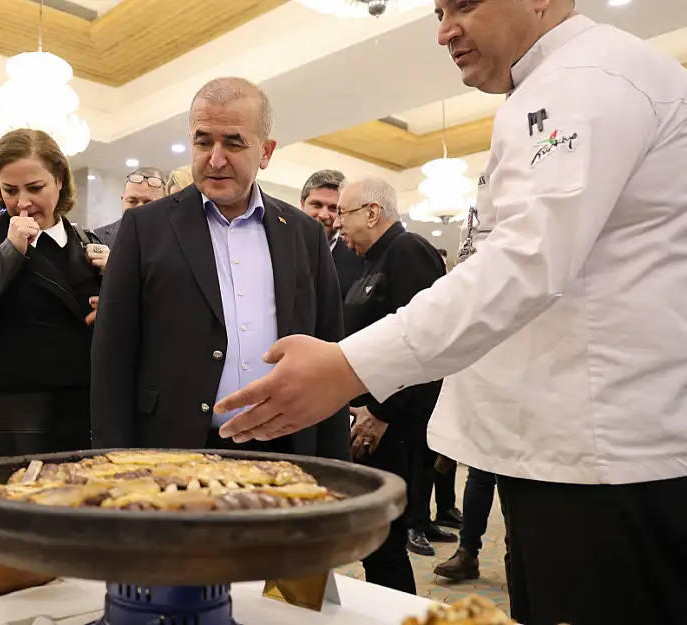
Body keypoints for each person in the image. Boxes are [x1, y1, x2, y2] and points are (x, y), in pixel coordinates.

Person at [215, 3, 687, 624]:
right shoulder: (547, 87)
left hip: (602, 462)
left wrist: (350, 365)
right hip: (562, 451)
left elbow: (525, 262)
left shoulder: (590, 78)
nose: (443, 30)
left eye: (464, 3)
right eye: (438, 10)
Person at [91, 77, 349, 460]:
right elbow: (112, 356)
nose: (215, 159)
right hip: (171, 448)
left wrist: (333, 467)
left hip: (284, 447)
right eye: (202, 140)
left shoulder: (304, 234)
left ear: (266, 152)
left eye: (233, 142)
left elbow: (329, 351)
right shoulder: (145, 227)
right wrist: (112, 459)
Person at [0, 129, 103, 456]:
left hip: (81, 410)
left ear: (60, 180)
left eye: (35, 188)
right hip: (8, 414)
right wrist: (11, 249)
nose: (22, 202)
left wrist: (114, 303)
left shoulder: (88, 242)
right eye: (9, 190)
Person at [337, 177, 446, 591]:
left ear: (371, 212)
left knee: (385, 544)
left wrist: (381, 413)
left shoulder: (408, 251)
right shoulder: (370, 261)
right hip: (372, 425)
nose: (339, 226)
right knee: (373, 542)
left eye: (344, 214)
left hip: (395, 428)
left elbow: (426, 346)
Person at [300, 170, 363, 300]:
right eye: (316, 205)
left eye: (334, 208)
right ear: (302, 204)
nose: (323, 215)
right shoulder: (279, 247)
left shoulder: (360, 258)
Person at [92, 167, 168, 247]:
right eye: (132, 201)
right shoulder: (97, 239)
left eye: (148, 203)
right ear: (123, 200)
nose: (139, 209)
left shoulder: (176, 241)